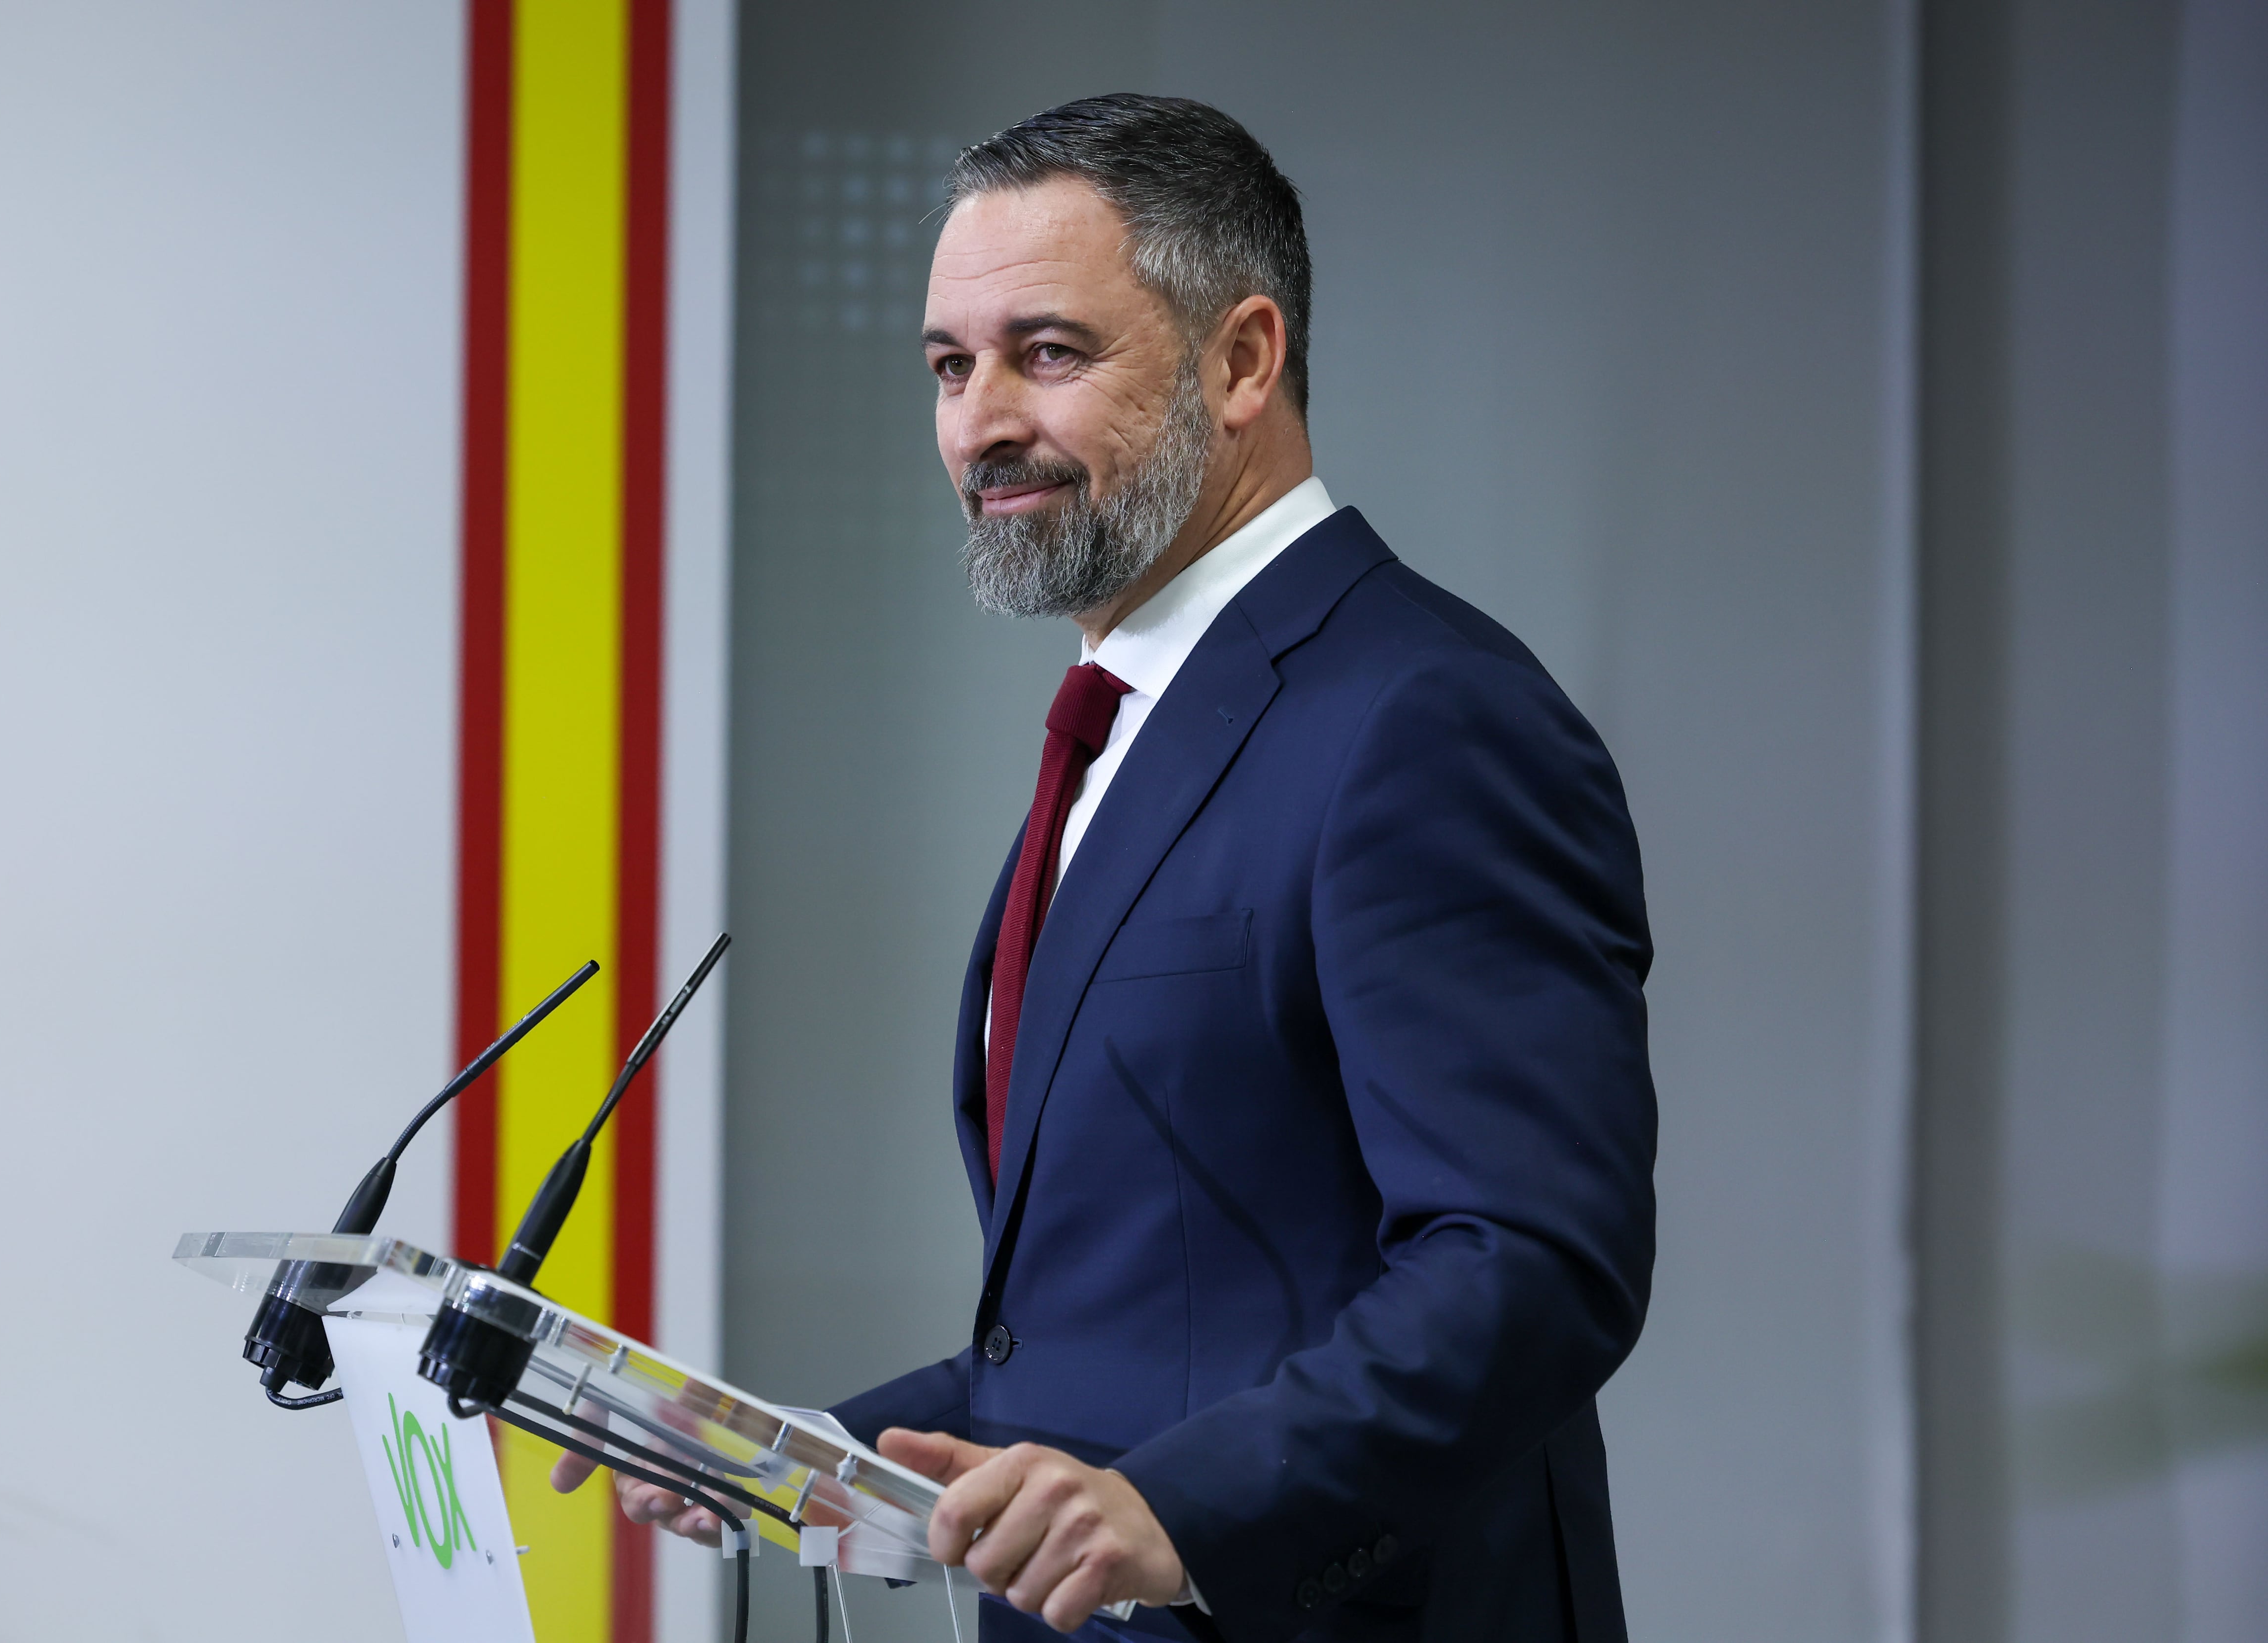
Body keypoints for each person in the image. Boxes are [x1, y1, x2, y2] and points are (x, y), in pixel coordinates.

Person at [562, 93, 1658, 1643]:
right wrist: (808, 1455)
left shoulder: (1425, 718)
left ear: (1243, 361)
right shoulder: (1128, 727)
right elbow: (1141, 1317)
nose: (979, 421)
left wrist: (1184, 1507)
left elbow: (1534, 1260)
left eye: (1047, 354)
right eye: (951, 366)